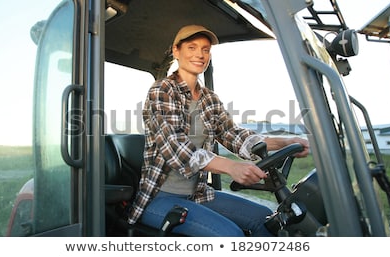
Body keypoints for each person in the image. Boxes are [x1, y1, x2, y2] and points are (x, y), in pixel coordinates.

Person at [127, 24, 310, 236]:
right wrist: (231, 167)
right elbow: (176, 148)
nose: (200, 55)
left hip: (198, 194)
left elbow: (235, 135)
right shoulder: (162, 91)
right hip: (159, 198)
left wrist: (285, 143)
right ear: (176, 51)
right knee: (232, 235)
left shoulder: (209, 99)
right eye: (192, 47)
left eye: (205, 49)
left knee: (265, 219)